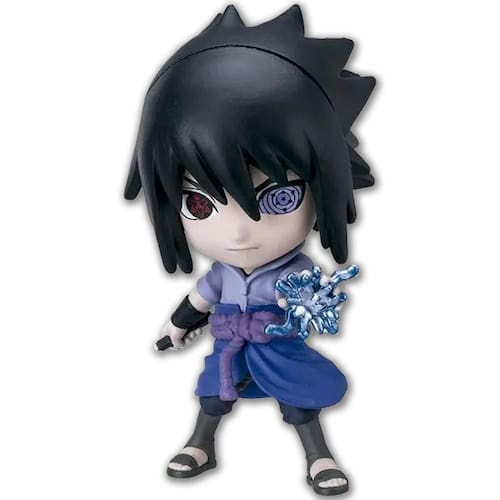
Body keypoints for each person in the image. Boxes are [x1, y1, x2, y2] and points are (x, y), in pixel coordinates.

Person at [124, 4, 375, 496]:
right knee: (213, 394)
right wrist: (176, 327)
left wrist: (305, 307)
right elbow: (199, 299)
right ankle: (201, 444)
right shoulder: (222, 273)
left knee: (298, 401)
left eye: (279, 197)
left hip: (279, 346)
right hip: (228, 346)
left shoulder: (294, 270)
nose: (239, 232)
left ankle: (319, 455)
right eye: (198, 203)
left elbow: (310, 301)